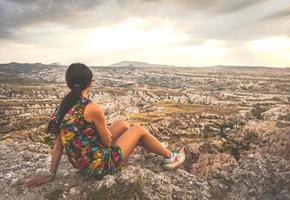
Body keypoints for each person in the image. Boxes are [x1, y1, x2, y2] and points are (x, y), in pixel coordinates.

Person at [26, 63, 185, 188]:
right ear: (91, 83)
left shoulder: (63, 106)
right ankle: (173, 157)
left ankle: (155, 146)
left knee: (122, 124)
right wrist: (105, 133)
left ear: (68, 84)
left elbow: (58, 143)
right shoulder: (92, 108)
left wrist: (51, 173)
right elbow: (108, 142)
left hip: (83, 163)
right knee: (138, 130)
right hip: (100, 166)